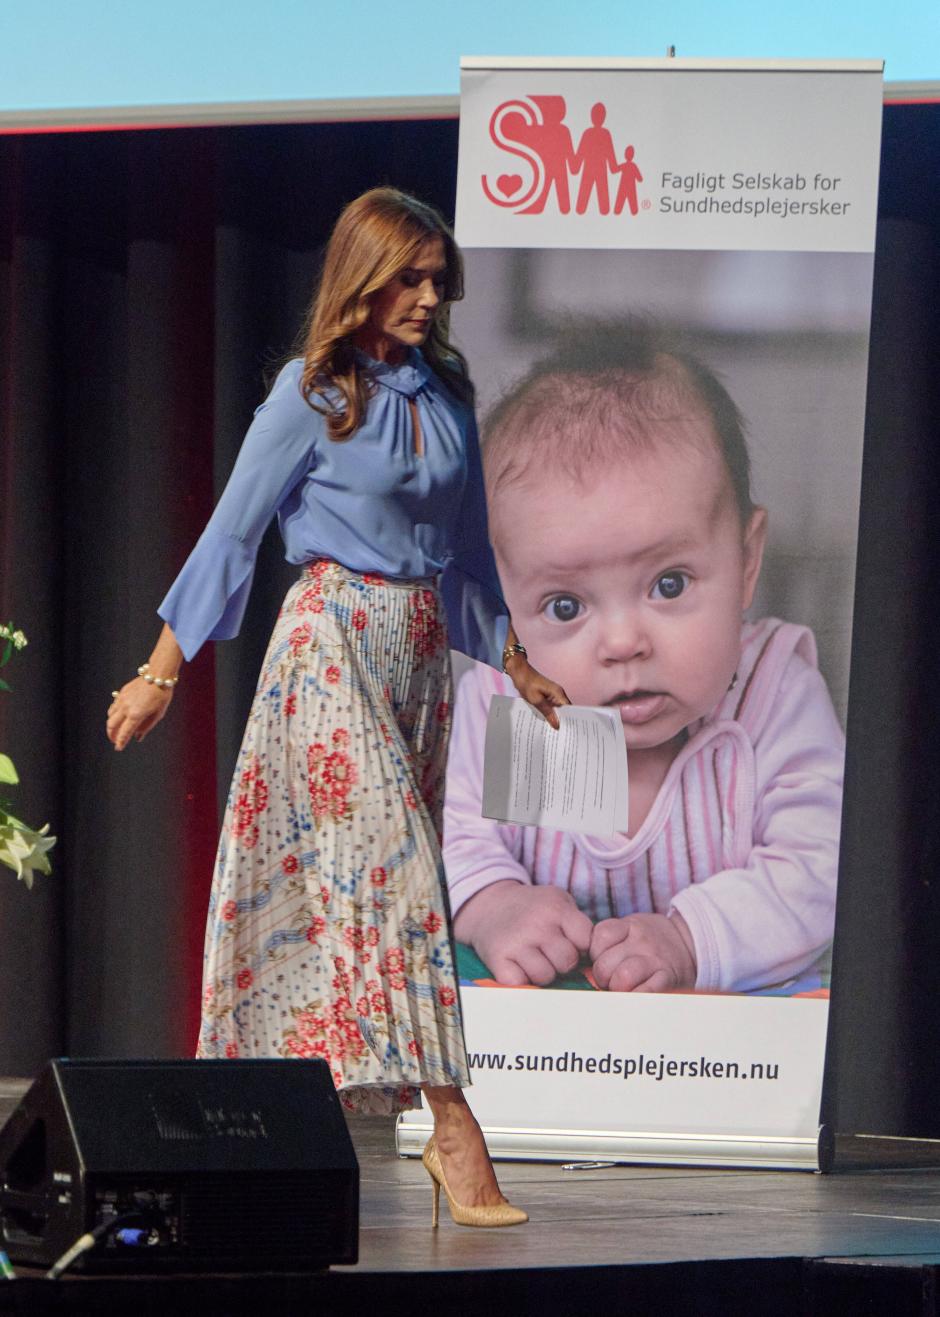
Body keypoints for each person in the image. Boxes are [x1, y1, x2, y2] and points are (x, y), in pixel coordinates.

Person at [106, 188, 568, 1227]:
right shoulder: (311, 395)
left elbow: (465, 552)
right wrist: (160, 670)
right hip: (329, 648)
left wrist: (512, 656)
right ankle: (453, 1130)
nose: (428, 294)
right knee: (396, 870)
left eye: (437, 277)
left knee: (353, 895)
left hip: (414, 660)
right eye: (409, 276)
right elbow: (232, 533)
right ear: (363, 278)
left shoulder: (445, 394)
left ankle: (255, 1129)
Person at [444, 325, 844, 994]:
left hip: (731, 1019)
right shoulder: (511, 695)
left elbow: (823, 866)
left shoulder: (772, 692)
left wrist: (693, 936)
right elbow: (454, 832)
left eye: (669, 584)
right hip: (559, 1036)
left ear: (746, 561)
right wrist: (495, 903)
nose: (625, 641)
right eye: (566, 606)